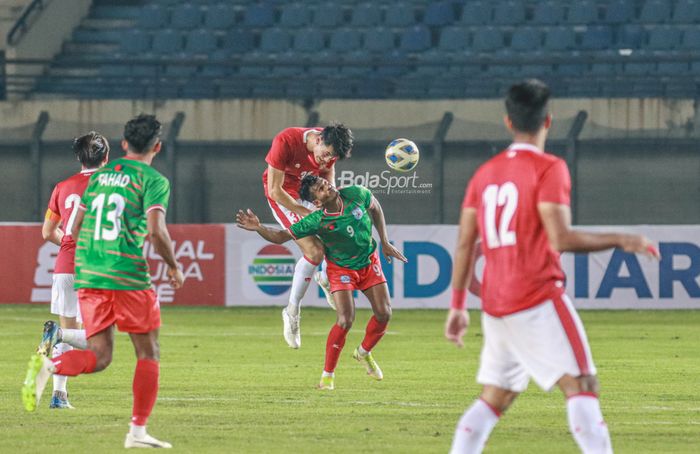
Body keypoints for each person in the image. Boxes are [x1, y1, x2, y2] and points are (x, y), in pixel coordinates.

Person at [444, 79, 660, 454]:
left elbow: (465, 243)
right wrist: (622, 239)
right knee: (582, 385)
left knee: (497, 396)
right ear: (548, 122)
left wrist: (458, 305)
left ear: (508, 122)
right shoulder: (548, 168)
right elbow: (561, 238)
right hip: (536, 296)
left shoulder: (485, 173)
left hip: (496, 304)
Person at [22, 114, 184, 449]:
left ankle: (48, 366)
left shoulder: (101, 177)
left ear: (124, 144)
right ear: (158, 146)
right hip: (125, 273)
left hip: (90, 272)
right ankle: (137, 432)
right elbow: (156, 231)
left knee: (100, 354)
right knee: (148, 352)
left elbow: (75, 228)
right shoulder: (153, 180)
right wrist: (173, 265)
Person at [237, 175, 406, 390]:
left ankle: (363, 353)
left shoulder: (356, 193)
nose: (327, 186)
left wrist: (384, 241)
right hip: (341, 268)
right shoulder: (317, 220)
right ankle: (327, 376)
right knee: (346, 320)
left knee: (384, 314)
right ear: (316, 202)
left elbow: (375, 207)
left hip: (368, 260)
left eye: (325, 183)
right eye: (320, 189)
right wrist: (259, 227)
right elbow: (280, 236)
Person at [262, 123, 353, 349]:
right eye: (326, 154)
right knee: (314, 251)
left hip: (310, 194)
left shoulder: (330, 147)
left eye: (332, 157)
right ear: (319, 139)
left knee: (338, 234)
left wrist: (331, 199)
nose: (326, 159)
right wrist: (306, 213)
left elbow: (328, 170)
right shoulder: (286, 141)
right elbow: (275, 189)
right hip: (283, 196)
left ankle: (324, 277)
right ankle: (292, 312)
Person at [40, 131, 110, 409]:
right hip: (93, 266)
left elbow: (48, 232)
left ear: (79, 158)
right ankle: (58, 334)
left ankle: (59, 396)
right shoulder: (110, 186)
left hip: (64, 267)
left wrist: (69, 243)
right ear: (106, 157)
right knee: (98, 343)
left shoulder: (62, 186)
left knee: (71, 331)